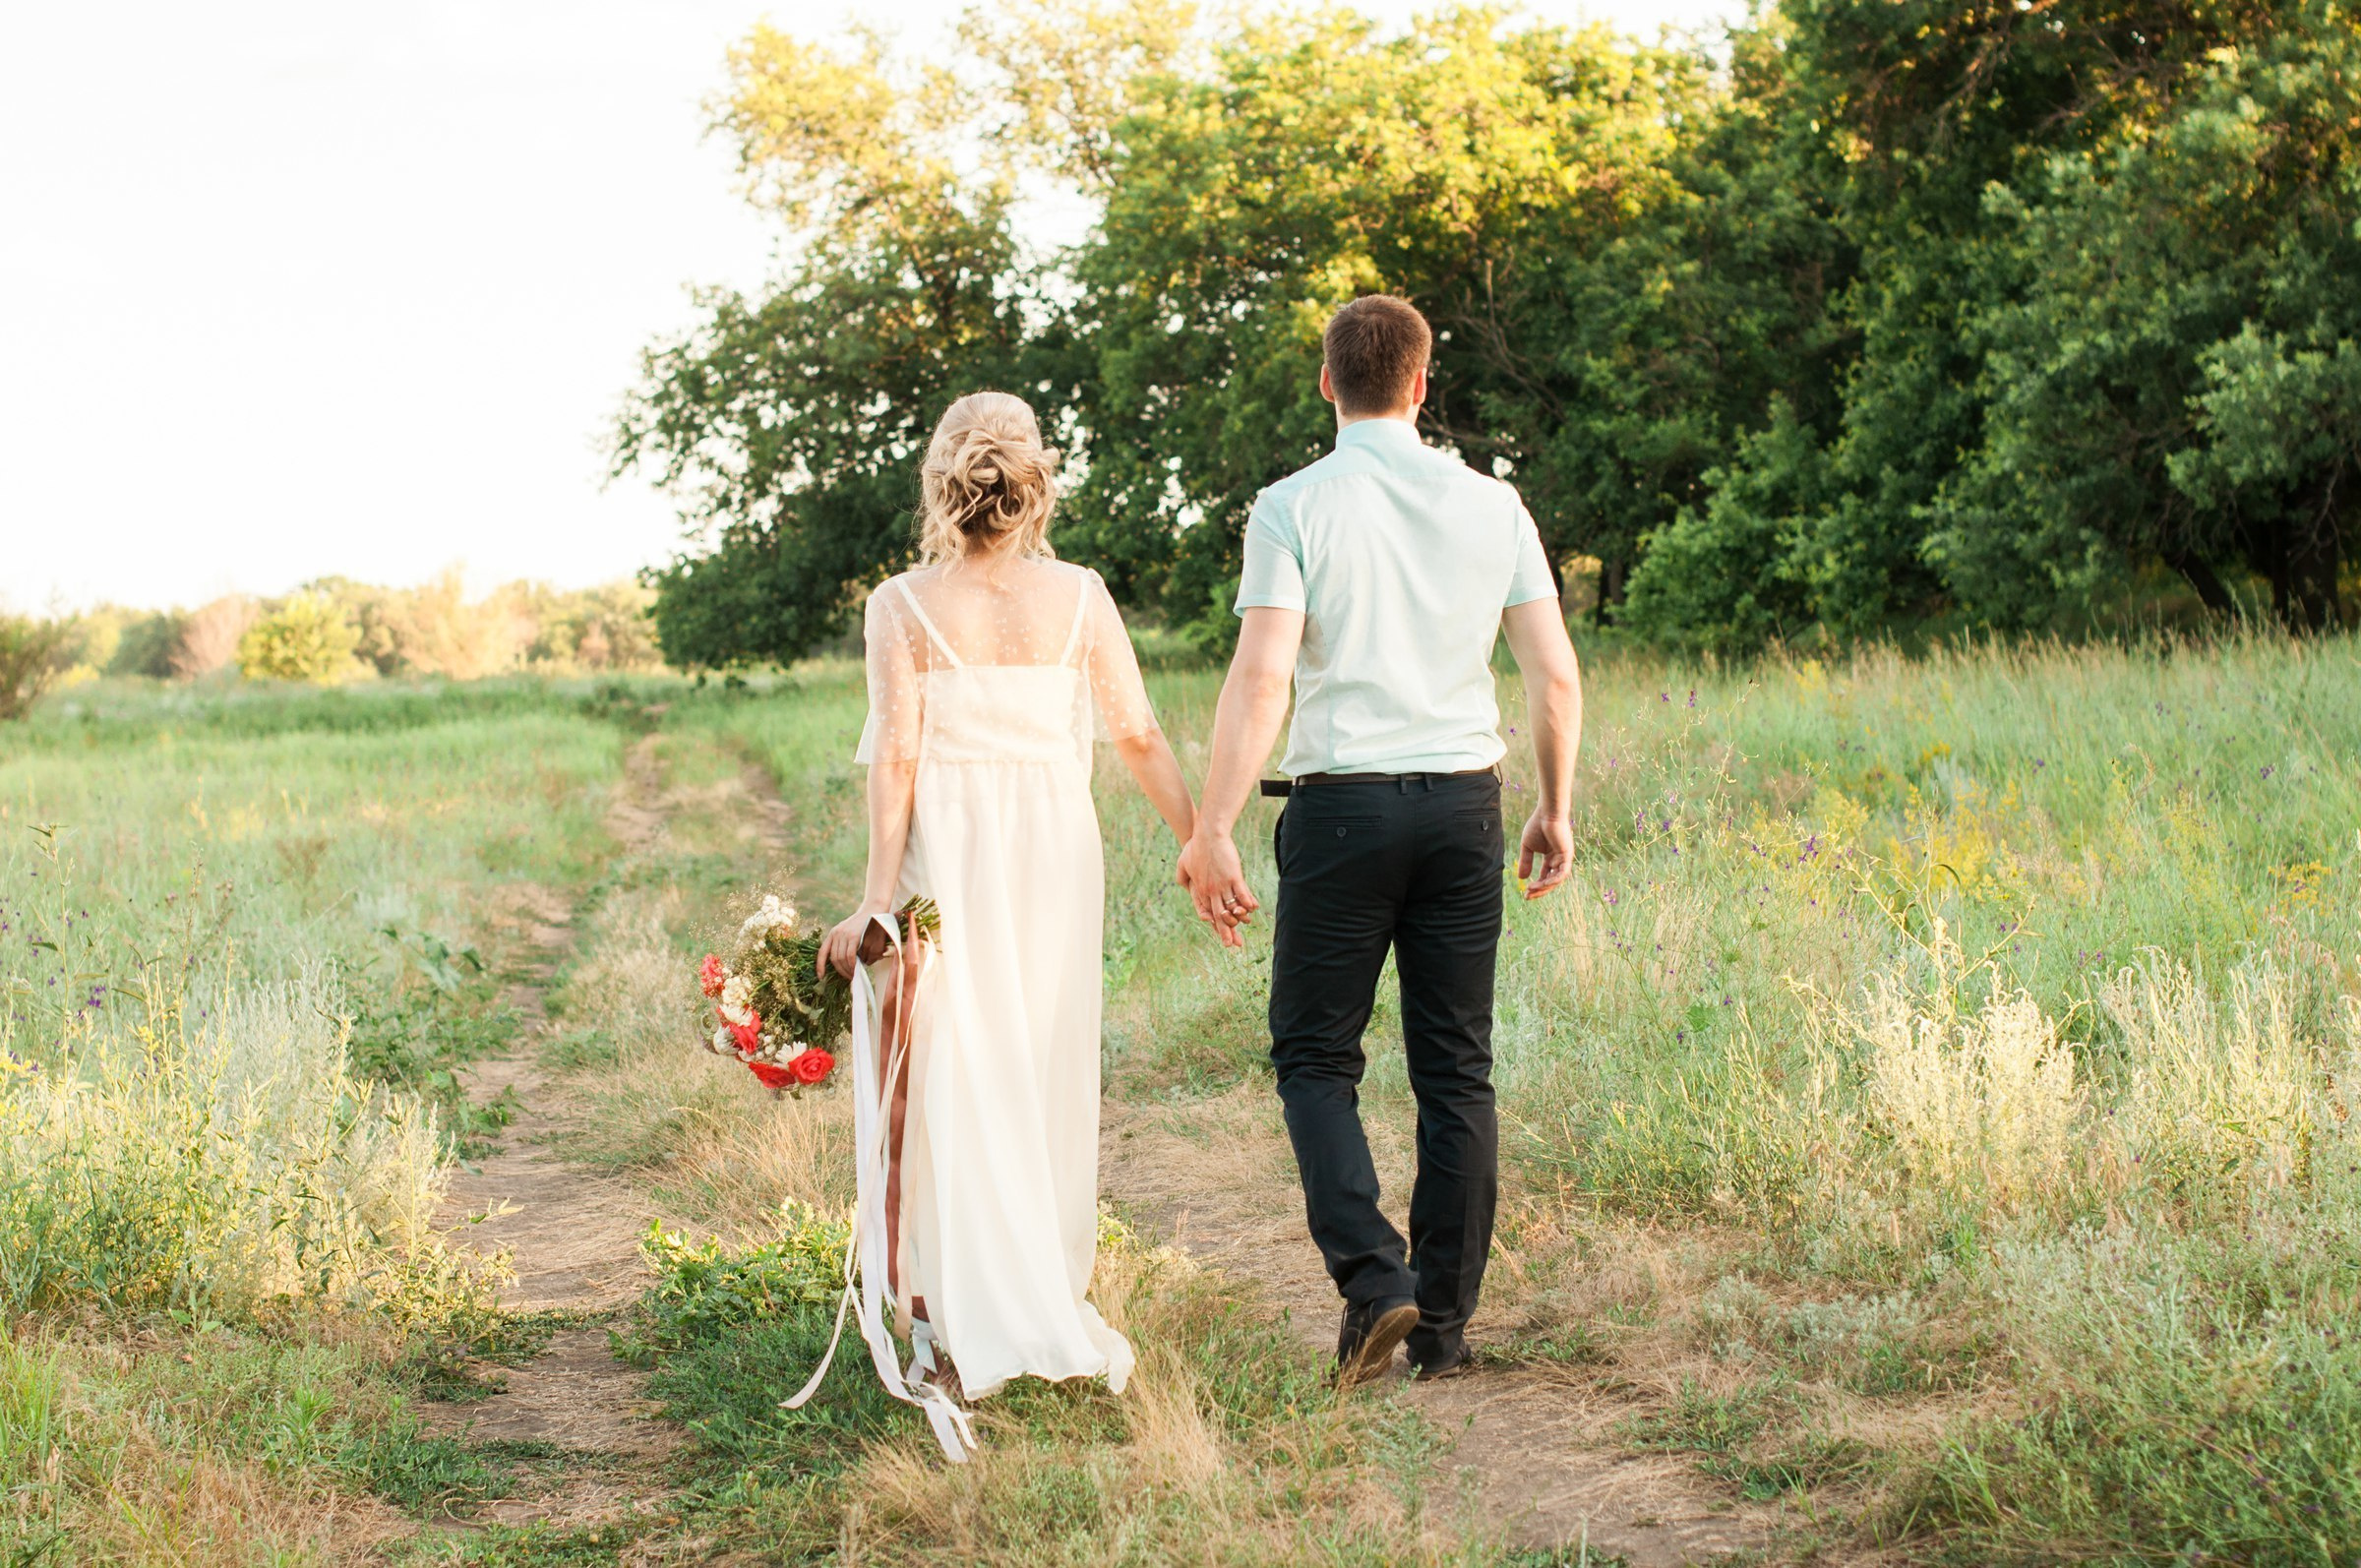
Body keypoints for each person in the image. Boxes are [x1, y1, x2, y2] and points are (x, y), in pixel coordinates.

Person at [1176, 294, 1583, 1388]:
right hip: (1464, 806)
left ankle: (1375, 1279)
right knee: (1457, 1070)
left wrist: (1213, 824)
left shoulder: (1292, 505)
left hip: (1342, 807)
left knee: (1316, 1057)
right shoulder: (1493, 504)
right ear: (1420, 383)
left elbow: (1264, 672)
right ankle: (1440, 1329)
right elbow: (1551, 673)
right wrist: (1555, 802)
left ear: (1327, 385)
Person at [809, 391, 1197, 1458]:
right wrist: (1198, 835)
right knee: (1038, 1061)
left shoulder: (902, 603)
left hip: (958, 848)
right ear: (1032, 484)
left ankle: (949, 1310)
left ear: (943, 484)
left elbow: (895, 761)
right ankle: (1033, 1285)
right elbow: (1139, 734)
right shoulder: (1081, 595)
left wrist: (879, 892)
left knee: (949, 1069)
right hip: (1055, 852)